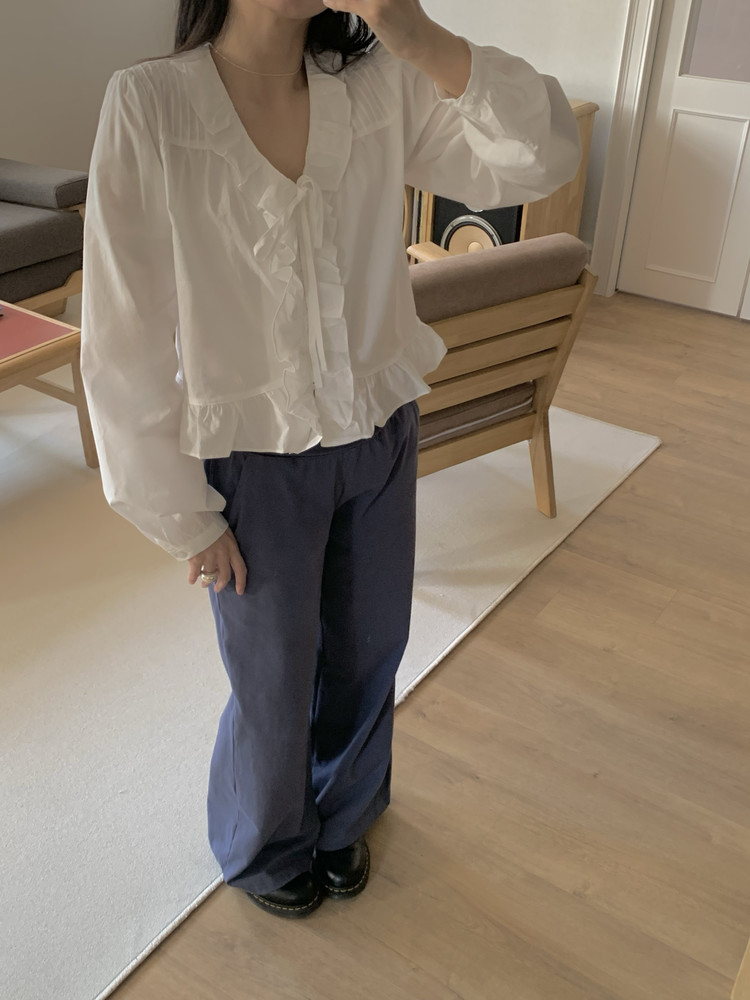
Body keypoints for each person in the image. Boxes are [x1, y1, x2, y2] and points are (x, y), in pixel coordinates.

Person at [80, 0, 581, 919]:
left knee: (367, 646)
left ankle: (346, 812)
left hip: (378, 429)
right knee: (272, 674)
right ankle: (268, 844)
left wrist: (418, 35)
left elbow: (542, 156)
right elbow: (124, 333)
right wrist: (181, 513)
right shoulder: (152, 103)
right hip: (254, 458)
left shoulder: (380, 83)